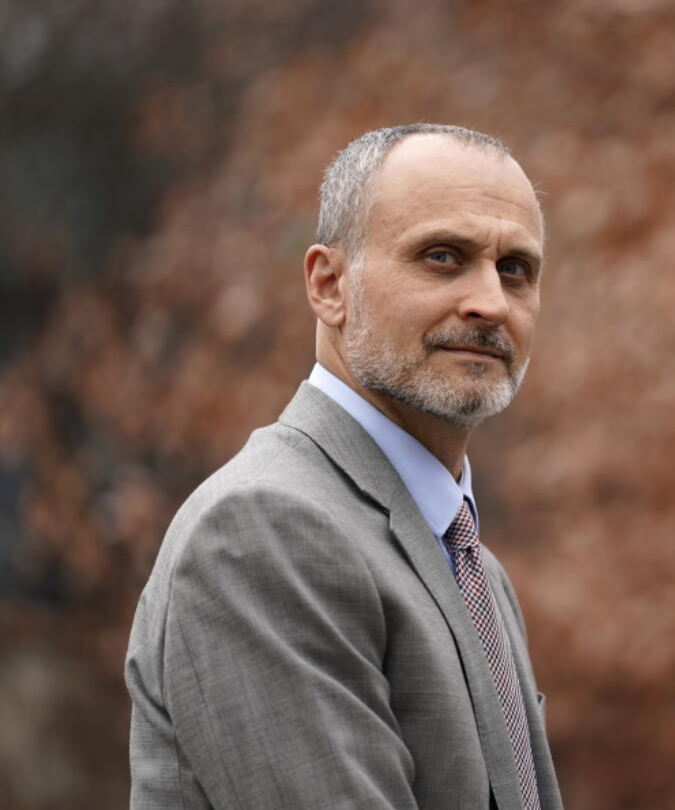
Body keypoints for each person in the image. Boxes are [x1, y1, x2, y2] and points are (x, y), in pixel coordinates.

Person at [125, 124, 564, 810]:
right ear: (329, 286)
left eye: (516, 269)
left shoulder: (469, 560)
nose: (491, 302)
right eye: (443, 256)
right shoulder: (264, 530)